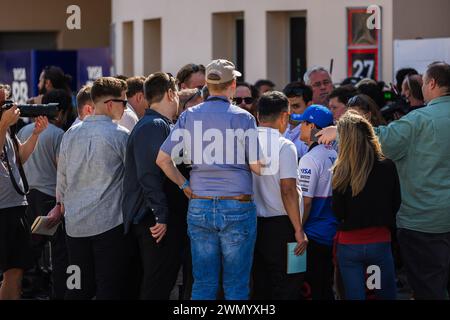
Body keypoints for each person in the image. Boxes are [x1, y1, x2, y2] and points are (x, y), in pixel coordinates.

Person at [317, 61, 450, 300]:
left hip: (424, 222)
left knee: (429, 289)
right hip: (425, 222)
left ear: (431, 84)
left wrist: (340, 130)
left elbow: (380, 140)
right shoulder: (419, 119)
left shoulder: (419, 120)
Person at [156, 59, 264, 300]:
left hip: (200, 203)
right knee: (236, 285)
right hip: (237, 204)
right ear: (233, 85)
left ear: (207, 84)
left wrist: (184, 185)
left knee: (203, 284)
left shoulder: (189, 116)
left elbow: (163, 159)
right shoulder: (244, 118)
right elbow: (257, 167)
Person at [55, 77, 130, 300]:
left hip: (75, 226)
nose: (125, 109)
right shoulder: (121, 135)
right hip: (110, 224)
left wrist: (63, 207)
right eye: (124, 103)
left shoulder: (70, 133)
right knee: (109, 287)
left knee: (77, 287)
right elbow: (133, 180)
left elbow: (62, 179)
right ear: (110, 104)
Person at [122, 72, 188, 299]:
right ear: (170, 93)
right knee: (157, 285)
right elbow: (148, 175)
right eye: (177, 93)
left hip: (158, 218)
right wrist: (161, 216)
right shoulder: (154, 125)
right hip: (154, 221)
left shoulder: (159, 124)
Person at [332, 110, 400, 300]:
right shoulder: (387, 166)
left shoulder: (341, 169)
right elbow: (396, 203)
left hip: (350, 246)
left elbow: (338, 211)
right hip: (379, 243)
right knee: (381, 294)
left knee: (355, 296)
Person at [252, 91, 308, 300]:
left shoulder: (245, 142)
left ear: (258, 115)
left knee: (261, 285)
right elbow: (288, 189)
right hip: (284, 226)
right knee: (291, 282)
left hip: (254, 224)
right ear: (285, 116)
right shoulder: (285, 146)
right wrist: (299, 229)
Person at [17, 90, 71, 300]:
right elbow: (62, 166)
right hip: (50, 197)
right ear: (60, 112)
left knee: (31, 245)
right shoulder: (58, 134)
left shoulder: (24, 131)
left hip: (28, 194)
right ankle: (57, 291)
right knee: (58, 248)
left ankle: (29, 287)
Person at [0, 97, 48, 300]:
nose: (8, 105)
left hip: (16, 206)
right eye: (2, 101)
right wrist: (3, 123)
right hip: (1, 208)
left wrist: (36, 134)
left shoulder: (9, 129)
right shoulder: (4, 126)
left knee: (16, 269)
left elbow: (20, 157)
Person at [297, 105, 337, 300]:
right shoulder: (336, 153)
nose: (298, 128)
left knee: (315, 290)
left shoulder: (310, 158)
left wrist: (298, 228)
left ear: (311, 125)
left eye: (302, 123)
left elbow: (306, 202)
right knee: (326, 287)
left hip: (314, 235)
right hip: (332, 232)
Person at [282, 82, 313, 160]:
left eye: (296, 106)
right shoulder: (279, 129)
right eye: (287, 107)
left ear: (309, 106)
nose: (290, 112)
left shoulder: (314, 133)